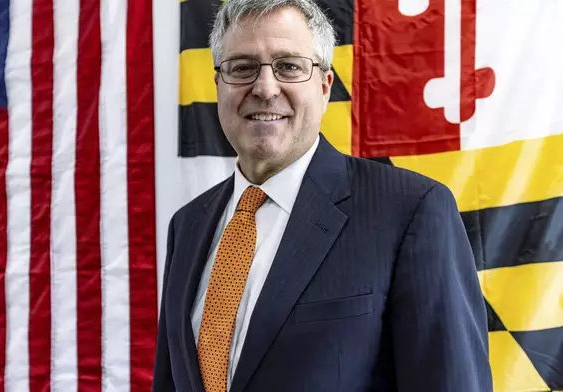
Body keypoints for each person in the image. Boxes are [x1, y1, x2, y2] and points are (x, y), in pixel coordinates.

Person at [153, 0, 493, 390]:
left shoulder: (410, 211)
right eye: (242, 67)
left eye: (289, 66)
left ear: (325, 85)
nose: (264, 88)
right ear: (219, 85)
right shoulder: (188, 225)